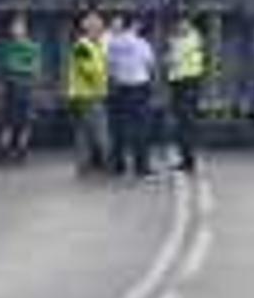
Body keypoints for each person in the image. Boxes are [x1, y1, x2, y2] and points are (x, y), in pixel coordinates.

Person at [103, 14, 158, 177]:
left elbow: (109, 65)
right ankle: (141, 167)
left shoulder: (113, 43)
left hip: (119, 88)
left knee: (118, 128)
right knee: (141, 129)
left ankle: (118, 165)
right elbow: (150, 64)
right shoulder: (141, 43)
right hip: (139, 87)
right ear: (135, 25)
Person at [0, 13, 41, 164]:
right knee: (9, 121)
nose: (15, 30)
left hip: (22, 87)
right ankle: (5, 150)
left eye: (19, 27)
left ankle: (20, 151)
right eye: (14, 27)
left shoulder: (29, 47)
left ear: (25, 30)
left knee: (24, 122)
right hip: (14, 87)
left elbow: (32, 67)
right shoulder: (10, 46)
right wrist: (22, 67)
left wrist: (16, 67)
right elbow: (11, 65)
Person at [66, 11, 111, 174]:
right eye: (96, 26)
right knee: (100, 131)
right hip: (88, 96)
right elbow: (89, 71)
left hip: (85, 96)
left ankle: (83, 165)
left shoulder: (94, 46)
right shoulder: (82, 47)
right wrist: (103, 82)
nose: (100, 29)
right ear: (87, 28)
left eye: (100, 26)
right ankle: (108, 163)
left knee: (83, 133)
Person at [164, 15, 209, 173]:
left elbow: (173, 59)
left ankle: (189, 161)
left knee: (186, 124)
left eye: (183, 24)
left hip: (188, 84)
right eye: (178, 24)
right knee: (182, 124)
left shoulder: (191, 40)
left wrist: (171, 47)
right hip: (180, 84)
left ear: (189, 25)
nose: (179, 27)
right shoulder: (182, 39)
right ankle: (186, 159)